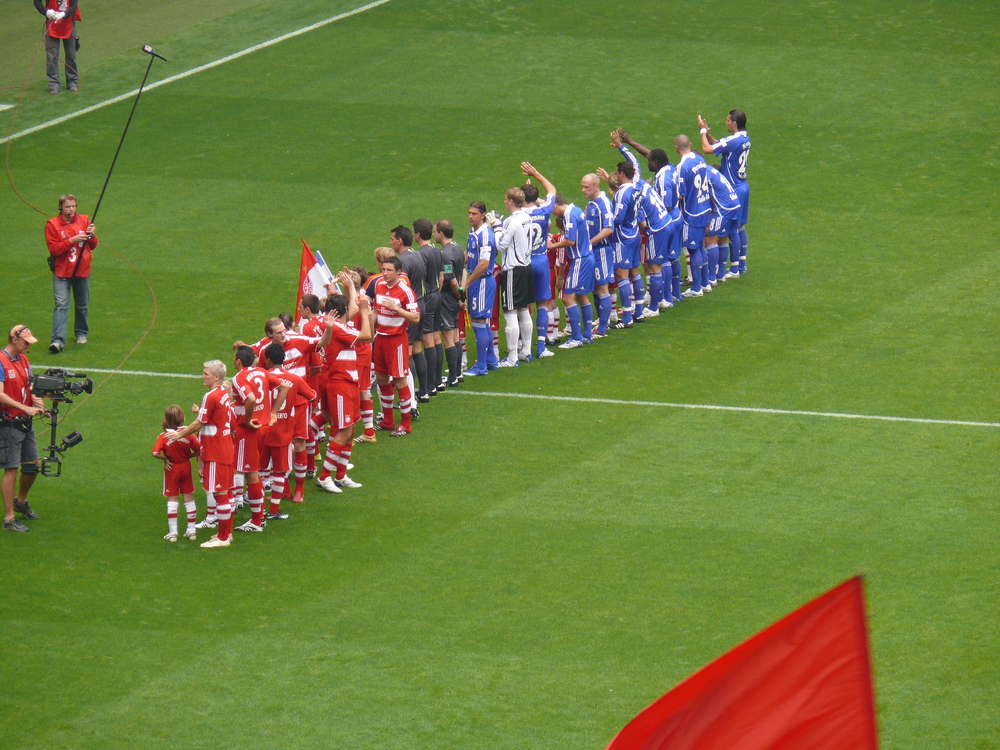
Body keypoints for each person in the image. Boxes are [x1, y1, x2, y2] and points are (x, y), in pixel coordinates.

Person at [167, 360, 236, 549]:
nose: (202, 376)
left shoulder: (211, 396)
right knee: (227, 492)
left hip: (215, 451)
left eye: (206, 373)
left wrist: (179, 434)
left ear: (216, 377)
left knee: (220, 492)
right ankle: (226, 534)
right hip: (226, 448)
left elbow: (200, 423)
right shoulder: (224, 394)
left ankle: (223, 538)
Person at [315, 290, 373, 493]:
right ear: (343, 310)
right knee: (343, 432)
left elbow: (354, 316)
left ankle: (340, 475)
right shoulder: (338, 329)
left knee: (351, 431)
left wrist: (350, 287)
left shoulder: (338, 326)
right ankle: (324, 477)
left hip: (349, 382)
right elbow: (367, 336)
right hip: (340, 384)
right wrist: (365, 312)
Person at [618, 129, 683, 306]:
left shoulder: (636, 192)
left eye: (650, 160)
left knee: (654, 266)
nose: (647, 162)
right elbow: (636, 162)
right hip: (670, 220)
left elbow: (663, 206)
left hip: (661, 224)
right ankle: (669, 297)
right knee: (666, 260)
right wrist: (624, 145)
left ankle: (655, 305)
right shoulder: (665, 168)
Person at [1, 326, 46, 532]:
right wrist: (24, 407)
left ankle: (21, 500)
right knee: (11, 469)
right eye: (25, 341)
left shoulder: (23, 359)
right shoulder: (1, 361)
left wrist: (38, 403)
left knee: (33, 464)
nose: (28, 345)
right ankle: (9, 518)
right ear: (14, 338)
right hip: (8, 422)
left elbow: (28, 387)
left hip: (24, 421)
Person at [370, 256, 420, 436]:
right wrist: (369, 329)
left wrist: (396, 309)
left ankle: (406, 424)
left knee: (399, 380)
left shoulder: (405, 291)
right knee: (382, 379)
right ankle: (388, 420)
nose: (385, 273)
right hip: (380, 339)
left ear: (398, 272)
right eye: (383, 270)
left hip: (396, 340)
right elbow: (376, 310)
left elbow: (416, 317)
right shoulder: (379, 286)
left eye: (389, 270)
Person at [698, 109, 751, 276]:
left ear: (734, 123)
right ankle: (741, 264)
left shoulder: (734, 140)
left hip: (734, 187)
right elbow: (721, 146)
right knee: (740, 227)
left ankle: (735, 267)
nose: (726, 123)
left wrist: (701, 131)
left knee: (734, 229)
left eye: (728, 121)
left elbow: (707, 149)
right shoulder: (743, 138)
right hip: (742, 185)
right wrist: (708, 134)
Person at [487, 188, 535, 367]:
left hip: (513, 270)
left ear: (511, 201)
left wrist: (497, 228)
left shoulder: (510, 221)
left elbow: (501, 245)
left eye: (506, 199)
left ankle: (513, 357)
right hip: (527, 267)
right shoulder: (527, 217)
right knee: (523, 309)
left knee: (510, 312)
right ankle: (526, 351)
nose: (504, 202)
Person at [45, 193, 97, 353]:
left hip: (81, 270)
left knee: (82, 305)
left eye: (74, 206)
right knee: (61, 305)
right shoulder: (52, 225)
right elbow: (54, 249)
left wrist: (92, 235)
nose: (72, 209)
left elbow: (93, 245)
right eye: (68, 206)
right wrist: (72, 241)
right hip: (62, 272)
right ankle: (58, 340)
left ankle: (81, 332)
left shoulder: (84, 220)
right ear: (61, 207)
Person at [520, 162, 558, 359]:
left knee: (522, 305)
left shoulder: (517, 216)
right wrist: (536, 174)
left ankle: (523, 348)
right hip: (541, 260)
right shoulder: (544, 211)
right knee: (542, 303)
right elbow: (552, 189)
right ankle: (541, 347)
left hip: (523, 263)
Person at [390, 226, 430, 401]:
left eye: (392, 239)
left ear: (400, 241)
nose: (390, 242)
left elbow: (402, 286)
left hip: (410, 308)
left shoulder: (403, 260)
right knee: (417, 348)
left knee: (406, 352)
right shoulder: (418, 254)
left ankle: (409, 397)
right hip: (422, 302)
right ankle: (424, 390)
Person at [549, 197, 595, 348]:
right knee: (582, 296)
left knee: (567, 297)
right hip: (588, 257)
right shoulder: (576, 209)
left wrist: (552, 245)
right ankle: (587, 334)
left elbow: (570, 241)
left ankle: (576, 337)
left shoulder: (570, 215)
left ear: (556, 206)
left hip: (580, 259)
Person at [461, 202, 499, 377]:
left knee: (478, 322)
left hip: (482, 281)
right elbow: (470, 254)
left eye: (474, 214)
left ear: (483, 216)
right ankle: (491, 360)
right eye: (469, 213)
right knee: (483, 321)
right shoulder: (473, 232)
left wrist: (468, 281)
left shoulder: (485, 235)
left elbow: (483, 264)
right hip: (479, 281)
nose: (470, 216)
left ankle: (481, 366)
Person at [152, 405, 200, 542]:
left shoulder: (164, 436)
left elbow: (155, 453)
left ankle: (173, 533)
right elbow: (199, 450)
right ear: (182, 418)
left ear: (166, 420)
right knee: (188, 497)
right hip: (186, 467)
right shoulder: (189, 435)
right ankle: (191, 531)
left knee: (172, 498)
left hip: (171, 469)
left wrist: (165, 458)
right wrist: (189, 456)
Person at [675, 134, 712, 298]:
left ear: (676, 148)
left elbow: (681, 194)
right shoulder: (700, 159)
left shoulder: (682, 166)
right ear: (689, 144)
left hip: (692, 213)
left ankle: (697, 287)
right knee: (700, 247)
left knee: (693, 248)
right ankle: (705, 283)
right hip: (705, 207)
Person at [413, 219, 444, 400]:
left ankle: (429, 386)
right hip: (436, 294)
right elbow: (441, 274)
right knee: (435, 337)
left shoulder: (421, 254)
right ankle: (437, 381)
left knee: (427, 340)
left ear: (417, 234)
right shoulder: (436, 250)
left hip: (427, 297)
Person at [434, 220, 467, 388]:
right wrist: (462, 296)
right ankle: (458, 374)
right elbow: (463, 272)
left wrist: (458, 296)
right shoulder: (457, 247)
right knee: (455, 336)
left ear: (441, 233)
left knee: (448, 338)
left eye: (435, 231)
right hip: (455, 298)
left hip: (448, 298)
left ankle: (453, 376)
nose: (433, 234)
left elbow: (452, 280)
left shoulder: (446, 254)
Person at [582, 173, 615, 337]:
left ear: (596, 186)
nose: (583, 190)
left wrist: (590, 242)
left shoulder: (604, 204)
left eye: (586, 187)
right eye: (582, 186)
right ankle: (603, 320)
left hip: (601, 251)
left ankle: (603, 327)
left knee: (602, 288)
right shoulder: (592, 203)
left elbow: (609, 229)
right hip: (593, 250)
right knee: (595, 288)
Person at [34, 0, 82, 94]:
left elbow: (73, 6)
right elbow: (37, 2)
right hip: (52, 26)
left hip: (68, 25)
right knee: (52, 56)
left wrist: (64, 14)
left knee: (71, 55)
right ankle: (53, 85)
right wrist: (46, 12)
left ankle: (72, 81)